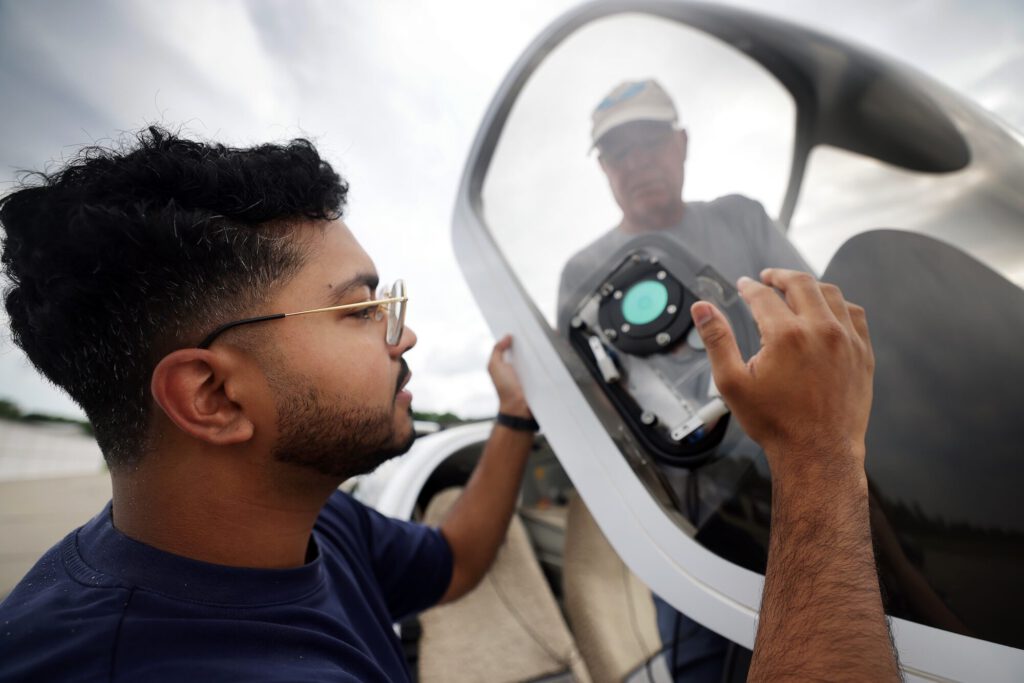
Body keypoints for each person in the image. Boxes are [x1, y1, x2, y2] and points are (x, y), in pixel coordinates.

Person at [0, 127, 539, 682]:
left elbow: (455, 560)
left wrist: (515, 413)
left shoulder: (307, 516)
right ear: (213, 396)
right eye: (360, 310)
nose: (403, 338)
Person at [555, 79, 813, 682]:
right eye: (618, 152)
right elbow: (588, 403)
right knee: (703, 665)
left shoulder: (741, 219)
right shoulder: (582, 273)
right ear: (603, 169)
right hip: (687, 525)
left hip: (797, 480)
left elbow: (814, 321)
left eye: (650, 141)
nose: (637, 161)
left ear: (682, 143)